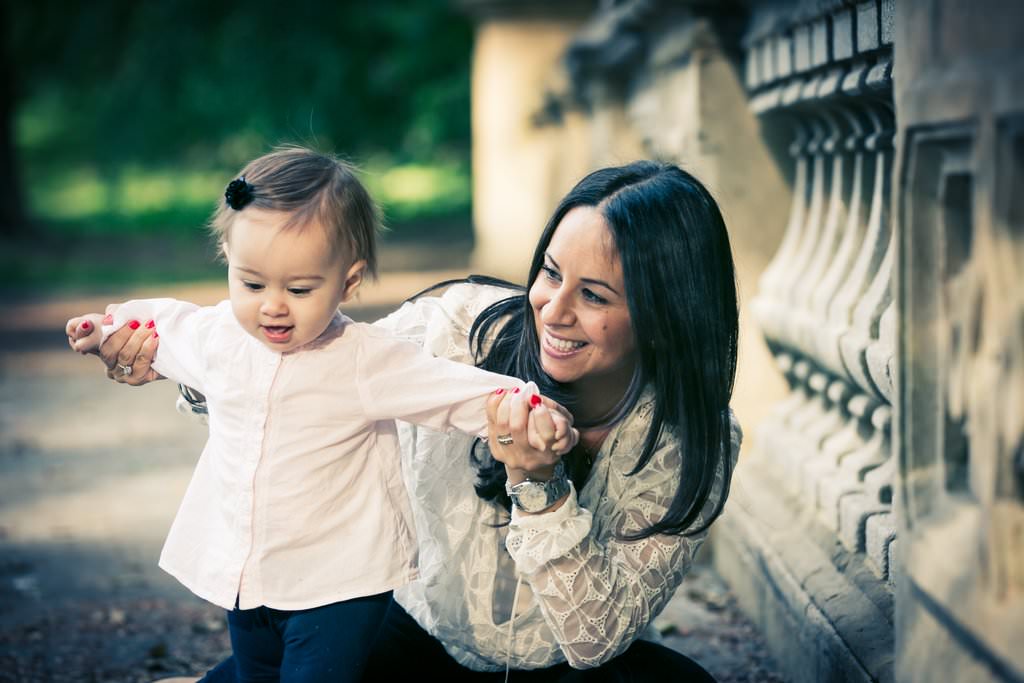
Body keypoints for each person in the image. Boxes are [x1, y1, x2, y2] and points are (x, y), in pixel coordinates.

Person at [100, 160, 741, 682]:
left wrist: (541, 487)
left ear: (664, 315)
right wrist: (180, 369)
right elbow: (309, 379)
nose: (553, 309)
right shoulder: (457, 326)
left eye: (594, 295)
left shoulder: (691, 442)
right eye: (550, 272)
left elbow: (594, 642)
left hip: (561, 670)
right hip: (406, 636)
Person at [66, 146, 575, 683]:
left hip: (339, 583)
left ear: (348, 282)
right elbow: (161, 326)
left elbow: (450, 390)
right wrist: (104, 332)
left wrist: (528, 409)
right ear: (227, 258)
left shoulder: (362, 359)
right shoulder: (218, 336)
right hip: (250, 572)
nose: (273, 306)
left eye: (300, 289)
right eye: (252, 284)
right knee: (253, 674)